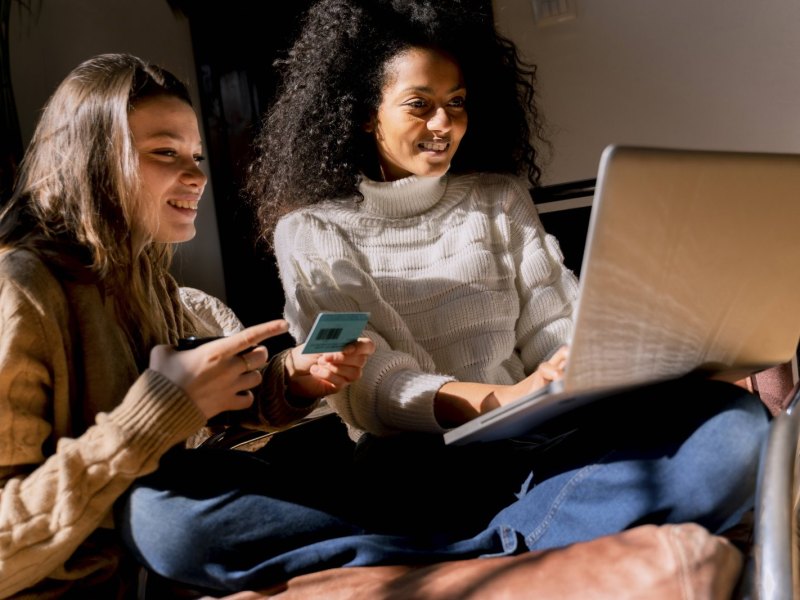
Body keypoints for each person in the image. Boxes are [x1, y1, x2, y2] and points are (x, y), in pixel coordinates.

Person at [247, 0, 768, 571]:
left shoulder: (498, 197)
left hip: (538, 444)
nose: (443, 124)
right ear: (367, 114)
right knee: (405, 477)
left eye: (456, 104)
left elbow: (554, 324)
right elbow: (372, 387)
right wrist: (503, 400)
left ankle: (504, 541)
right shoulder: (312, 230)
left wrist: (602, 364)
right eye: (419, 105)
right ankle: (520, 535)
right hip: (418, 465)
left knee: (734, 423)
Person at [0, 52, 374, 598]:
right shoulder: (21, 289)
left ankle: (428, 545)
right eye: (165, 152)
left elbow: (202, 417)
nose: (198, 176)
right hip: (104, 568)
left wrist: (292, 378)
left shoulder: (143, 273)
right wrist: (157, 410)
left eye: (196, 154)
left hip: (156, 547)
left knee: (339, 451)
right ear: (94, 160)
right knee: (163, 514)